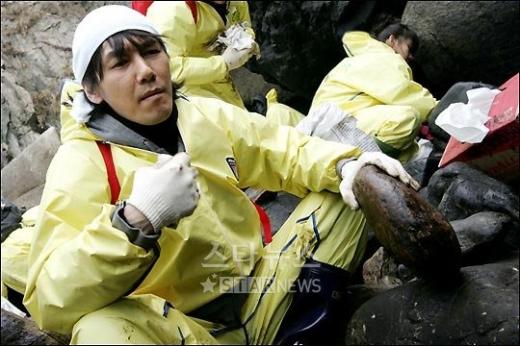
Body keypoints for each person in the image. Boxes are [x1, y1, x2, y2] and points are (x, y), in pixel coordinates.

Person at [1, 6, 419, 344]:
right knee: (99, 330)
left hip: (261, 286)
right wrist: (135, 222)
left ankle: (302, 324)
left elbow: (282, 149)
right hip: (190, 331)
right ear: (93, 89)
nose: (145, 70)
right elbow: (51, 302)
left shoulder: (199, 112)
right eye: (121, 63)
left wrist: (346, 164)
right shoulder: (83, 164)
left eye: (151, 52)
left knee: (353, 183)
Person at [308, 23, 438, 163]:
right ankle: (365, 167)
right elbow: (400, 91)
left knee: (414, 148)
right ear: (392, 40)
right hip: (337, 130)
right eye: (409, 48)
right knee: (407, 119)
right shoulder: (383, 58)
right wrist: (439, 109)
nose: (411, 57)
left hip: (323, 134)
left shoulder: (359, 59)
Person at [143, 1, 257, 109]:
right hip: (189, 93)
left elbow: (244, 23)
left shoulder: (234, 2)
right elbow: (167, 68)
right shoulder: (172, 10)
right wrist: (222, 64)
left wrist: (246, 37)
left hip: (219, 83)